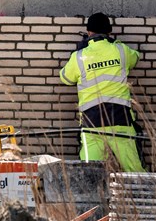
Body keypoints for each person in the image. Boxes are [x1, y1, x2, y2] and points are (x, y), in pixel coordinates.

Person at [59, 13, 144, 171]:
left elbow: (65, 78)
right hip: (120, 118)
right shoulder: (121, 50)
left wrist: (77, 51)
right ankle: (145, 195)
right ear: (109, 32)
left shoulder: (79, 57)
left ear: (89, 32)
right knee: (134, 170)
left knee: (91, 173)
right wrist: (115, 43)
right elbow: (136, 58)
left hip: (92, 121)